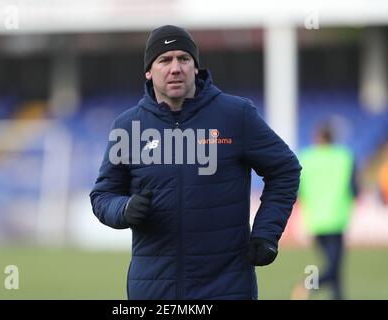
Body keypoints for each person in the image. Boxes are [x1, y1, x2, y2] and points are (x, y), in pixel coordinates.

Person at [90, 25, 301, 300]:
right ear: (148, 70)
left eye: (183, 58)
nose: (175, 68)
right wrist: (125, 209)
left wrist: (267, 232)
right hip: (153, 290)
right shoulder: (128, 127)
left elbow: (285, 170)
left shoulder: (236, 115)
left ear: (195, 66)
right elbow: (103, 195)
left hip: (227, 288)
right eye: (164, 60)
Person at [291, 124, 358, 300]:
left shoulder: (306, 158)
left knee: (335, 265)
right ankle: (309, 284)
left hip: (315, 220)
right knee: (334, 266)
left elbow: (298, 190)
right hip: (337, 218)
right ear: (332, 138)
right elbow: (354, 188)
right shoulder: (345, 157)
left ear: (317, 138)